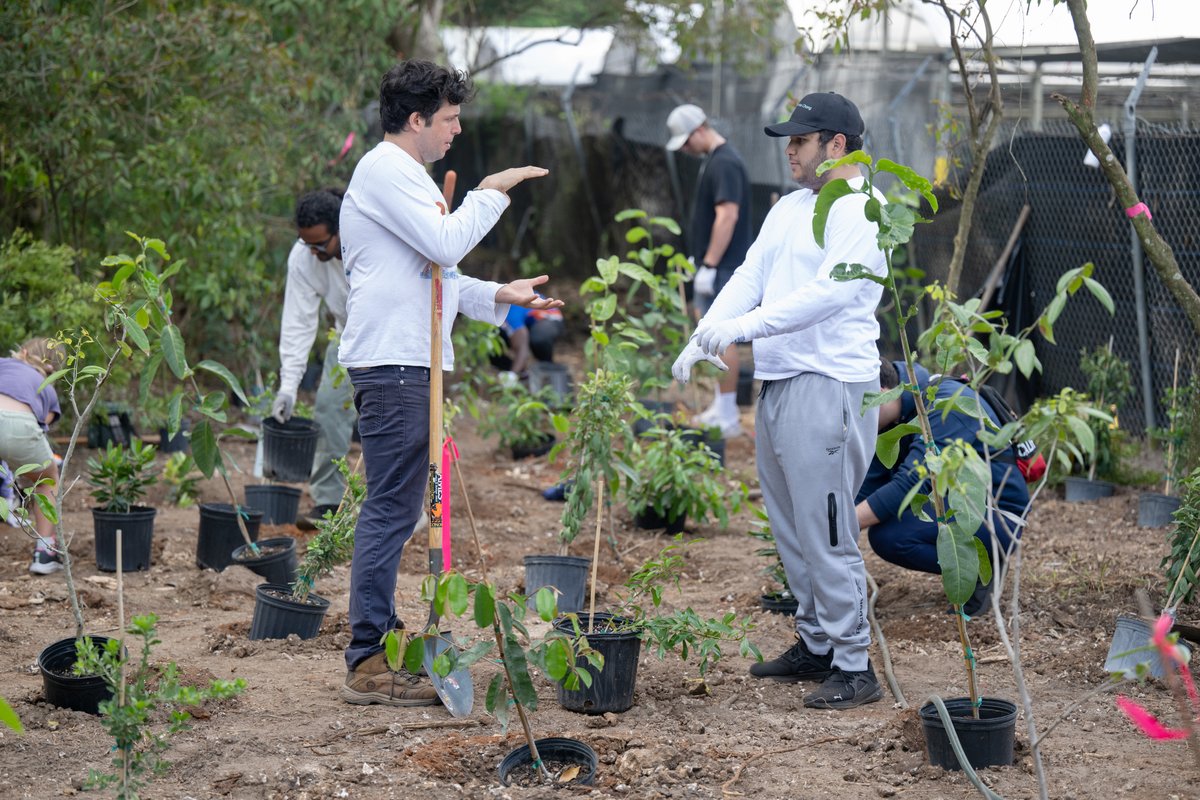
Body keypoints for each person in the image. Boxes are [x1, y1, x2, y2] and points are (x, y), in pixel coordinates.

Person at [336, 59, 559, 707]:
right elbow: (445, 243)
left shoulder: (406, 177)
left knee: (401, 506)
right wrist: (491, 190)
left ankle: (380, 640)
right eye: (449, 119)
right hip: (394, 363)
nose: (456, 130)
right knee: (390, 507)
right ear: (416, 120)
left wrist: (502, 295)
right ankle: (368, 657)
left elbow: (438, 275)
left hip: (410, 361)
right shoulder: (385, 170)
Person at [671, 92, 886, 709]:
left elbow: (831, 295)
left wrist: (745, 328)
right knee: (790, 524)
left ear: (836, 145)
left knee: (825, 527)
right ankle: (816, 643)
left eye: (801, 140)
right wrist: (706, 328)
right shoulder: (792, 206)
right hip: (780, 382)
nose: (789, 150)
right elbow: (750, 275)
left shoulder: (860, 209)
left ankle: (853, 664)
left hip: (830, 383)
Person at [856, 359, 1029, 616]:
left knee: (889, 537)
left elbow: (912, 481)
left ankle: (980, 571)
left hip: (998, 515)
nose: (857, 418)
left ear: (882, 393)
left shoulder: (947, 402)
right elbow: (867, 486)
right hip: (959, 502)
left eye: (861, 406)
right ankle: (973, 565)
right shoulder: (897, 416)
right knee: (883, 529)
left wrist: (845, 523)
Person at [665, 103, 753, 437]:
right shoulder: (715, 161)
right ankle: (721, 404)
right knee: (711, 334)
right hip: (714, 266)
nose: (686, 149)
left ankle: (728, 412)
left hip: (725, 266)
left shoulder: (726, 162)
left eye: (686, 141)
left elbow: (727, 215)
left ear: (700, 129)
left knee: (722, 336)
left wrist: (711, 264)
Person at [270, 188, 356, 526]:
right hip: (348, 332)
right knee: (329, 407)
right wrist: (288, 387)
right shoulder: (304, 257)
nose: (315, 252)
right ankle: (329, 502)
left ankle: (409, 506)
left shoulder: (366, 239)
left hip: (395, 332)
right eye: (308, 245)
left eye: (321, 245)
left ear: (341, 228)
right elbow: (298, 322)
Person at [0, 338, 65, 574]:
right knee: (47, 478)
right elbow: (41, 426)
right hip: (22, 426)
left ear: (23, 351)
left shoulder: (3, 364)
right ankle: (45, 553)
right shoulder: (47, 387)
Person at [493, 303, 565, 378]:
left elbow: (522, 345)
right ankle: (522, 373)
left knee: (539, 340)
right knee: (492, 344)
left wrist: (513, 373)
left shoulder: (509, 310)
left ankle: (548, 372)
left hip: (549, 318)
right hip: (531, 322)